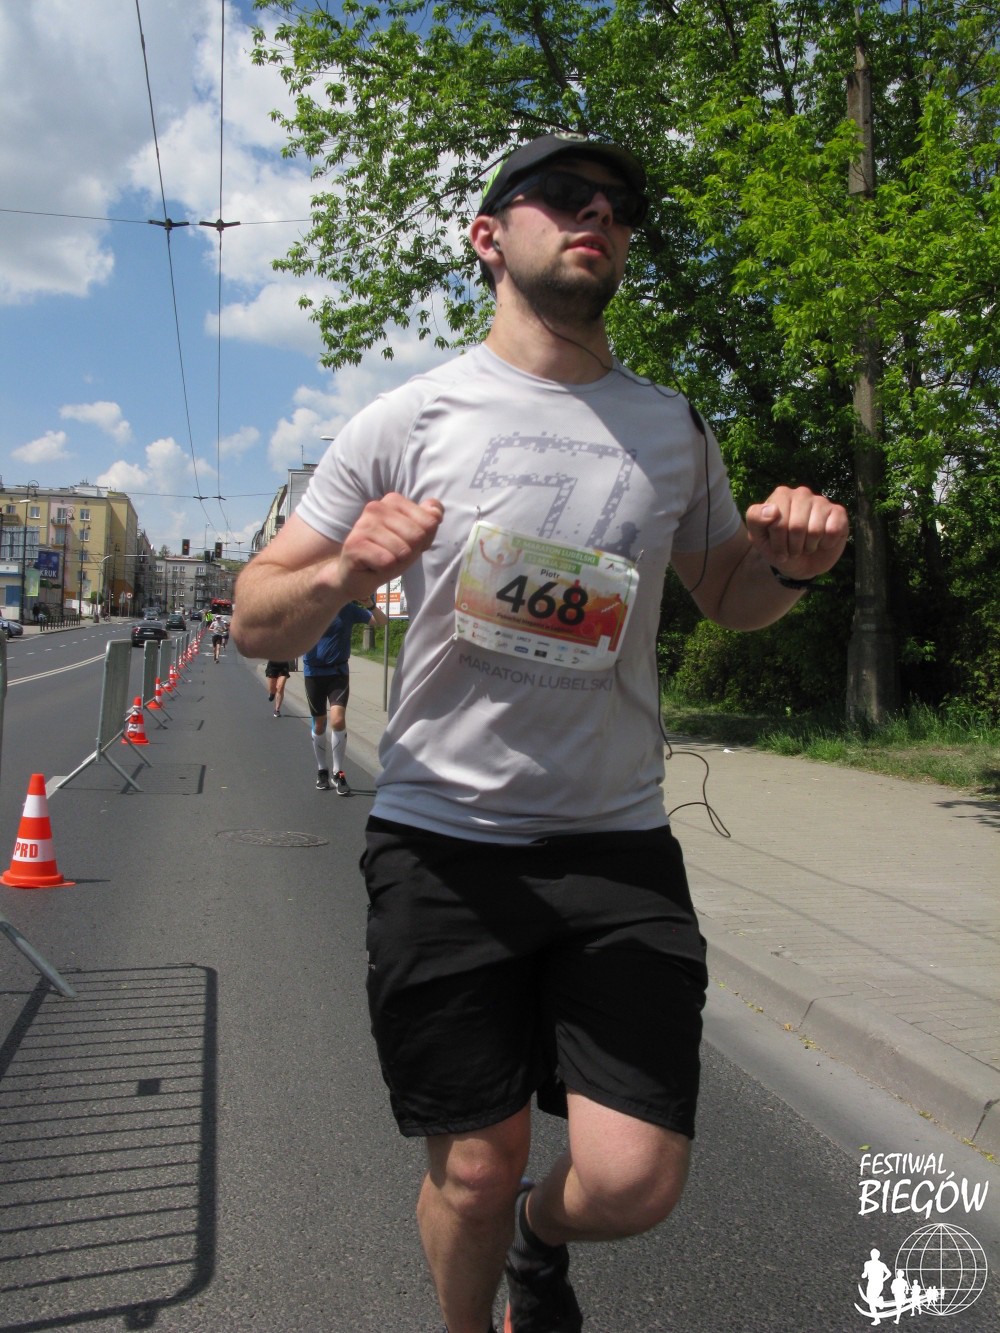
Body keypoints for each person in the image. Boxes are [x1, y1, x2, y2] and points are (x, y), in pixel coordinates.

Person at [232, 131, 849, 1333]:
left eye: (617, 205)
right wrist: (347, 572)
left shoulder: (673, 428)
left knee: (634, 1181)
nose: (596, 215)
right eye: (563, 195)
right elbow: (257, 614)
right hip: (442, 841)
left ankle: (540, 1232)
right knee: (471, 1165)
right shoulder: (408, 418)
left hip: (615, 844)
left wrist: (792, 566)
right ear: (487, 235)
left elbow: (731, 595)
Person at [302, 599, 387, 794]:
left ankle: (338, 772)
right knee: (319, 724)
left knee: (338, 719)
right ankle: (322, 770)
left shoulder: (347, 609)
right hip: (313, 674)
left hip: (338, 673)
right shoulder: (307, 609)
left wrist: (370, 605)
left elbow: (382, 621)